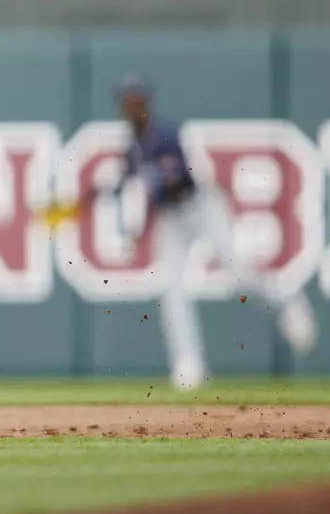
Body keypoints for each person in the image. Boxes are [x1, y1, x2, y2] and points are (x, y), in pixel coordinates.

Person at [97, 75, 317, 390]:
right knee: (171, 288)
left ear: (146, 103)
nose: (132, 107)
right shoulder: (131, 148)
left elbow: (169, 183)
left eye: (137, 101)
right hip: (170, 221)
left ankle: (288, 302)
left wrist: (136, 207)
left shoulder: (166, 134)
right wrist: (126, 215)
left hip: (200, 207)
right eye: (127, 102)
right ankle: (189, 364)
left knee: (240, 273)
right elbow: (128, 187)